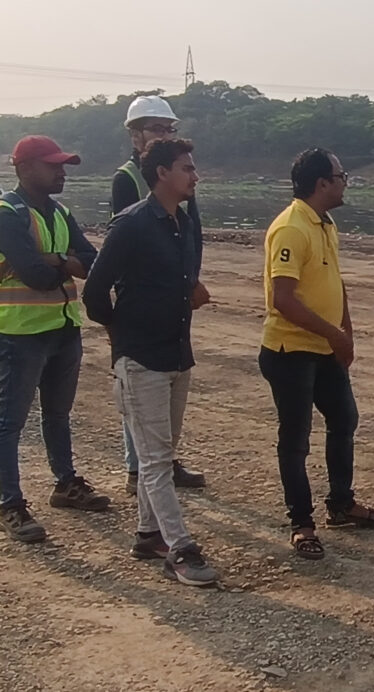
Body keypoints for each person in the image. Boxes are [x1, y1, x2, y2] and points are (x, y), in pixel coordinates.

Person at [83, 138, 217, 586]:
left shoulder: (181, 223)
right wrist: (121, 332)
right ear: (161, 173)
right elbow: (94, 292)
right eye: (187, 167)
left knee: (161, 454)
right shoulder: (132, 225)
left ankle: (147, 533)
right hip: (141, 360)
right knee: (156, 461)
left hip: (177, 354)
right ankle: (180, 548)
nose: (195, 175)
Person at [259, 148, 374, 561]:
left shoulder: (325, 224)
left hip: (324, 348)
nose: (345, 181)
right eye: (341, 174)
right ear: (322, 184)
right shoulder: (292, 227)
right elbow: (283, 299)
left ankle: (341, 503)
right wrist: (335, 334)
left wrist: (345, 331)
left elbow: (335, 281)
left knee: (344, 420)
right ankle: (302, 523)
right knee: (295, 439)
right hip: (291, 351)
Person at [0, 136, 110, 544]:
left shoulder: (59, 211)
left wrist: (56, 260)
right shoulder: (7, 213)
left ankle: (66, 483)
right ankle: (10, 503)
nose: (62, 172)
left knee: (58, 415)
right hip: (20, 332)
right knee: (9, 423)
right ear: (25, 168)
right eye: (53, 165)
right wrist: (65, 264)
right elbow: (36, 276)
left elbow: (95, 263)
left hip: (63, 327)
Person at [112, 94, 207, 494]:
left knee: (169, 378)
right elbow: (128, 243)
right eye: (155, 128)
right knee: (142, 378)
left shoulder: (178, 173)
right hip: (145, 296)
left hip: (176, 292)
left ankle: (163, 459)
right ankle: (140, 468)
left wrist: (191, 280)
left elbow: (191, 231)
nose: (163, 134)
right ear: (135, 135)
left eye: (168, 128)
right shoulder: (128, 179)